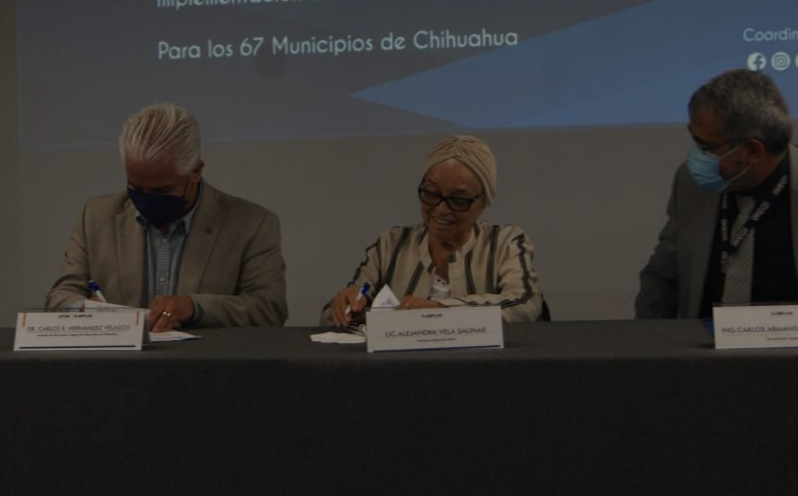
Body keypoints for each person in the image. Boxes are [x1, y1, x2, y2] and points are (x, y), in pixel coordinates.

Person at [45, 103, 287, 331]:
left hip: (205, 360)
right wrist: (87, 310)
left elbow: (269, 310)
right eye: (136, 188)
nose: (146, 199)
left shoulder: (252, 224)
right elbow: (60, 297)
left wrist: (194, 308)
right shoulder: (96, 216)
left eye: (162, 191)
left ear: (196, 171)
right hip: (118, 359)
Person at [323, 134, 542, 325]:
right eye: (431, 194)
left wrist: (441, 309)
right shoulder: (391, 245)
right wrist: (345, 307)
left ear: (483, 204)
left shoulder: (505, 242)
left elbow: (525, 304)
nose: (441, 209)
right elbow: (337, 314)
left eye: (458, 200)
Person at [636, 70, 797, 318]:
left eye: (707, 147)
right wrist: (647, 336)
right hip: (699, 340)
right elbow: (662, 276)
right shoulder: (690, 182)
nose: (697, 156)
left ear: (753, 151)